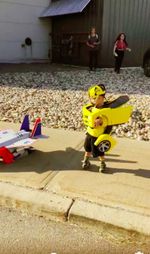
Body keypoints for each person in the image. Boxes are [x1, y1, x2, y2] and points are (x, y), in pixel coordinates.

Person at [82, 84, 112, 173]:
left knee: (99, 152)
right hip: (90, 133)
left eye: (96, 98)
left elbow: (109, 122)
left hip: (98, 135)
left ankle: (103, 163)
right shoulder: (91, 107)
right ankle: (86, 160)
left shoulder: (106, 110)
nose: (94, 100)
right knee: (87, 148)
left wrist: (102, 121)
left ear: (102, 98)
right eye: (92, 98)